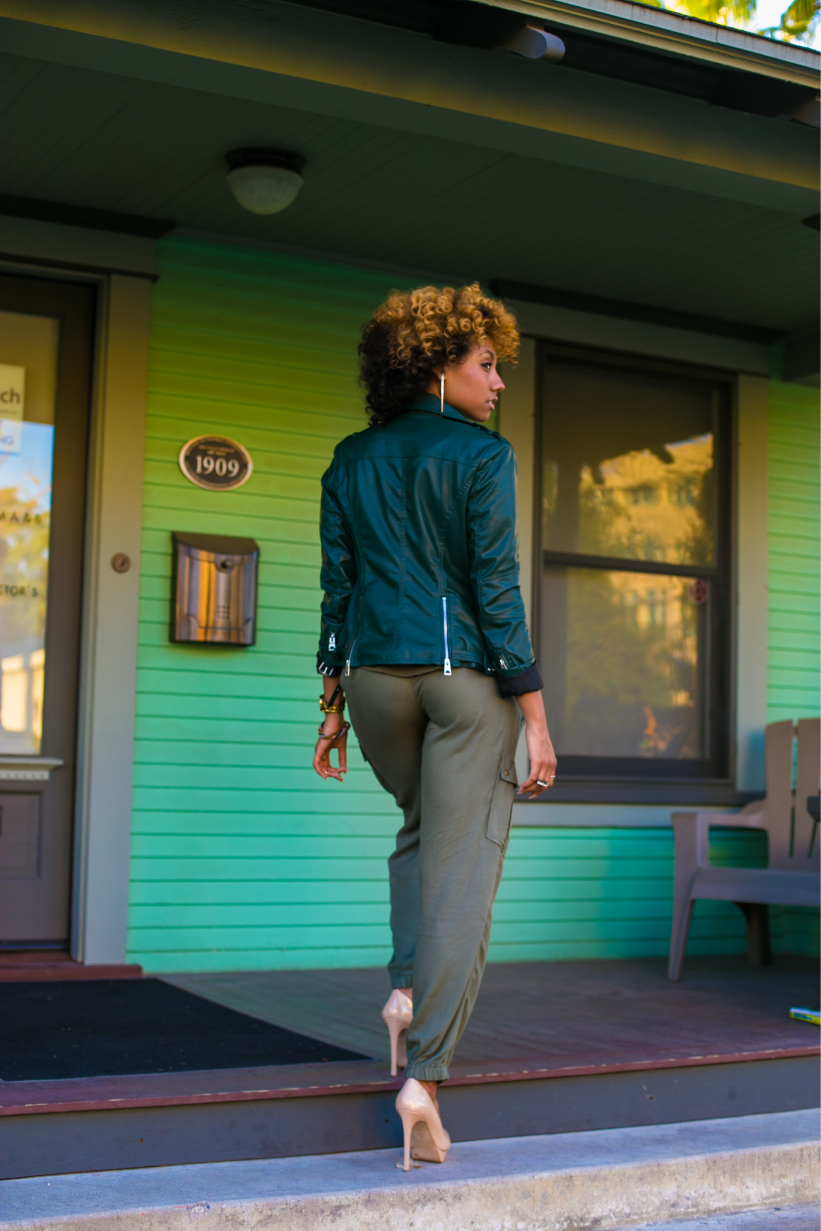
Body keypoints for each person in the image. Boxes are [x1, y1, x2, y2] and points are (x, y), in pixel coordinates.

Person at [312, 283, 557, 1171]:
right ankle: (425, 1078)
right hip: (463, 687)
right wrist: (534, 717)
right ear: (435, 366)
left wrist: (333, 704)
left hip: (376, 683)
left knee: (423, 836)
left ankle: (405, 989)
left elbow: (336, 594)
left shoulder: (349, 458)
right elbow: (497, 593)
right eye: (485, 364)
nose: (497, 382)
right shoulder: (482, 458)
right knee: (464, 873)